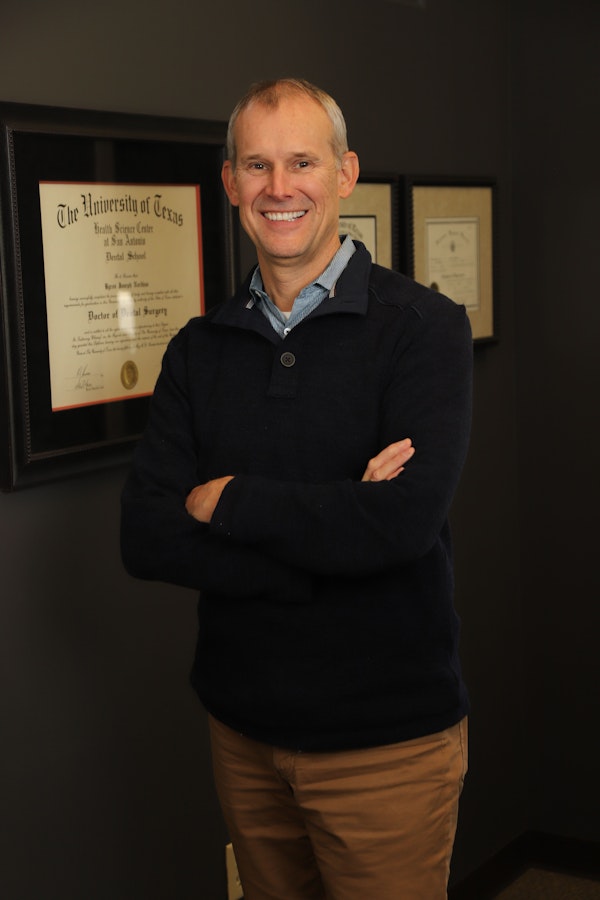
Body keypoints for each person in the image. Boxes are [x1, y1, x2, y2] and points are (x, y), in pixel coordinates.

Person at [121, 77, 472, 900]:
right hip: (241, 732)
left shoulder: (423, 330)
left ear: (345, 174)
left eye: (302, 162)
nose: (280, 188)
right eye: (258, 165)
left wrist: (231, 498)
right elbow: (144, 534)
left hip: (386, 744)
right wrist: (333, 533)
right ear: (232, 183)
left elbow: (403, 525)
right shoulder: (197, 350)